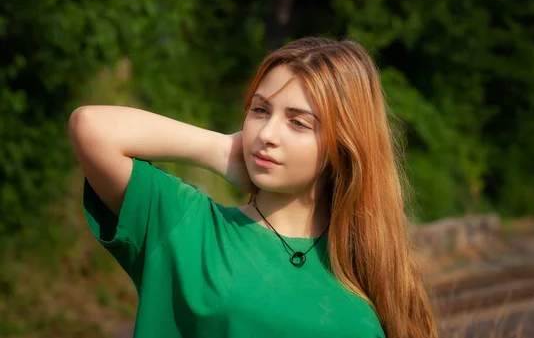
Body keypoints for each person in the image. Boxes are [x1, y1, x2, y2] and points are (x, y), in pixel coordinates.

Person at [68, 37, 438, 338]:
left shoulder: (372, 265)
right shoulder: (187, 227)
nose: (267, 134)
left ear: (343, 145)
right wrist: (222, 150)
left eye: (298, 123)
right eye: (260, 110)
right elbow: (92, 127)